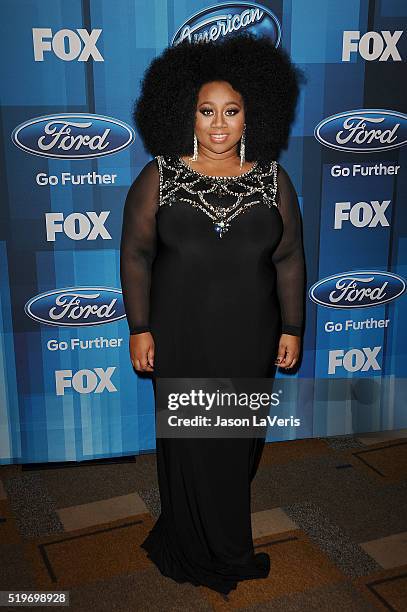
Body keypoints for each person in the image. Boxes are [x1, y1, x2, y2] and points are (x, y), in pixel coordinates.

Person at [120, 33, 306, 597]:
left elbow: (290, 257)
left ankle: (215, 530)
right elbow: (136, 255)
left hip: (251, 338)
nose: (219, 125)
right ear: (187, 114)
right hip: (181, 338)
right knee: (192, 443)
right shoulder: (159, 177)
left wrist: (293, 327)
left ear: (252, 114)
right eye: (207, 112)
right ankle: (209, 547)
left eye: (231, 111)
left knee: (237, 443)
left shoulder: (274, 179)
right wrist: (139, 328)